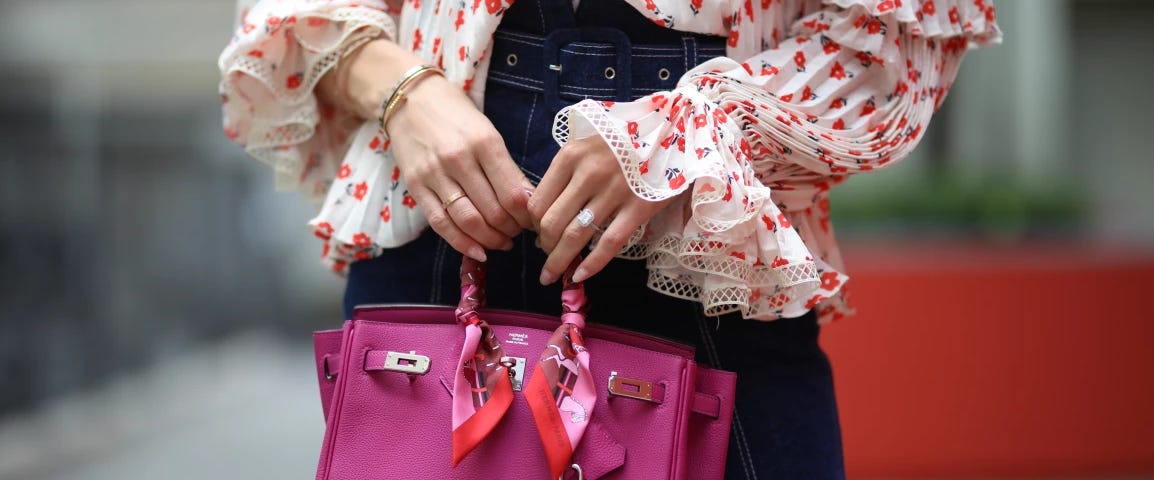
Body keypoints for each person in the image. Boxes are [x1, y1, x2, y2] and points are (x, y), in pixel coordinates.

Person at [219, 0, 1000, 477]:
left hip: (705, 221)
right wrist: (398, 90)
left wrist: (684, 135)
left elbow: (896, 42)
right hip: (434, 197)